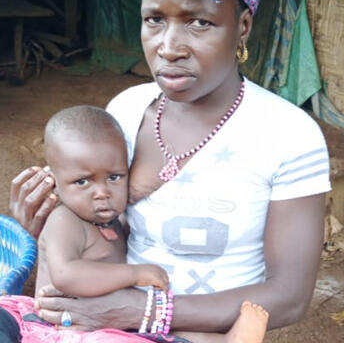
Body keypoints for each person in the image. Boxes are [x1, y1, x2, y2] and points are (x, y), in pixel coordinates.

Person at [9, 0, 330, 339]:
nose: (169, 45)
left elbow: (289, 296)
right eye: (154, 19)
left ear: (242, 28)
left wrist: (143, 312)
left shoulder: (287, 134)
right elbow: (105, 232)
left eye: (199, 22)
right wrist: (50, 226)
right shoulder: (123, 112)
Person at [1, 104, 269, 343]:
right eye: (82, 181)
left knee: (183, 332)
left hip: (107, 323)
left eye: (115, 177)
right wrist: (136, 274)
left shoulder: (112, 221)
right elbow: (66, 275)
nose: (101, 192)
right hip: (66, 330)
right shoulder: (65, 221)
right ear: (55, 183)